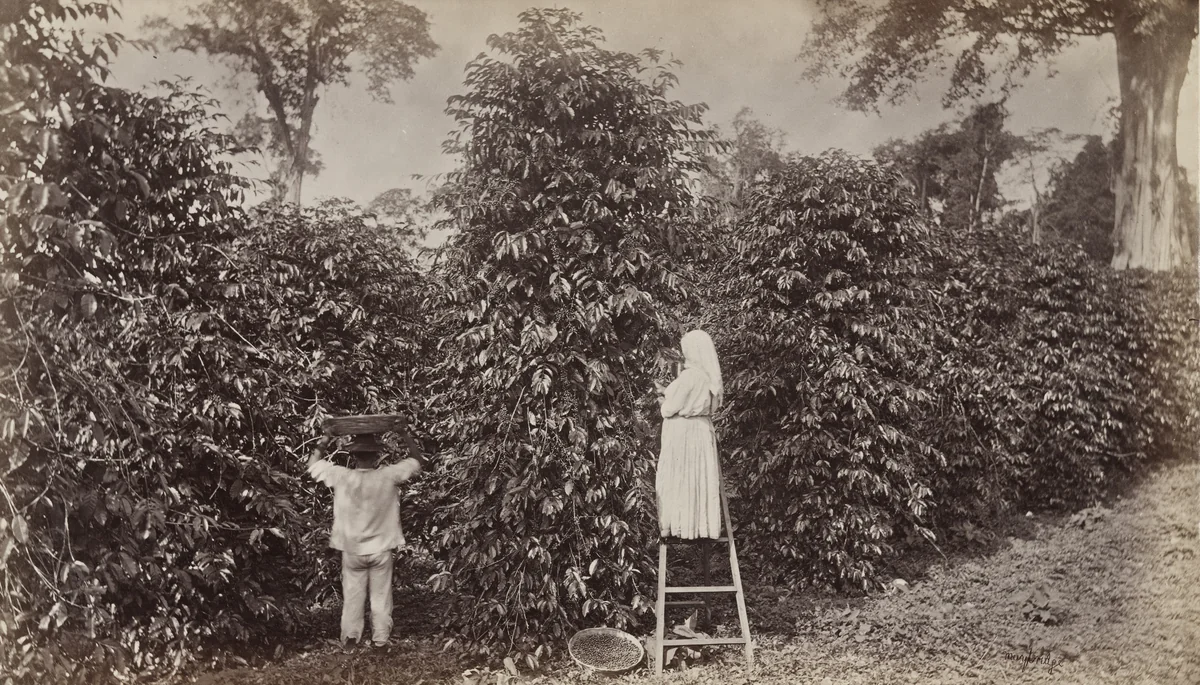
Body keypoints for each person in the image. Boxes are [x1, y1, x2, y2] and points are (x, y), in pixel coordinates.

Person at [306, 427, 424, 649]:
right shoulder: (388, 475)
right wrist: (404, 432)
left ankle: (350, 639)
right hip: (381, 548)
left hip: (352, 549)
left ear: (353, 455)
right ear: (377, 455)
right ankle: (380, 641)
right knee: (381, 597)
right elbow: (417, 460)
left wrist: (327, 435)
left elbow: (312, 463)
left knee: (353, 596)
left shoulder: (341, 476)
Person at [654, 329, 724, 539]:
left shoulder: (690, 377)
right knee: (699, 477)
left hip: (683, 434)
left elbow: (669, 408)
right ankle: (701, 526)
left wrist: (663, 400)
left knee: (682, 477)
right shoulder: (708, 378)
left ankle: (679, 526)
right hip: (701, 431)